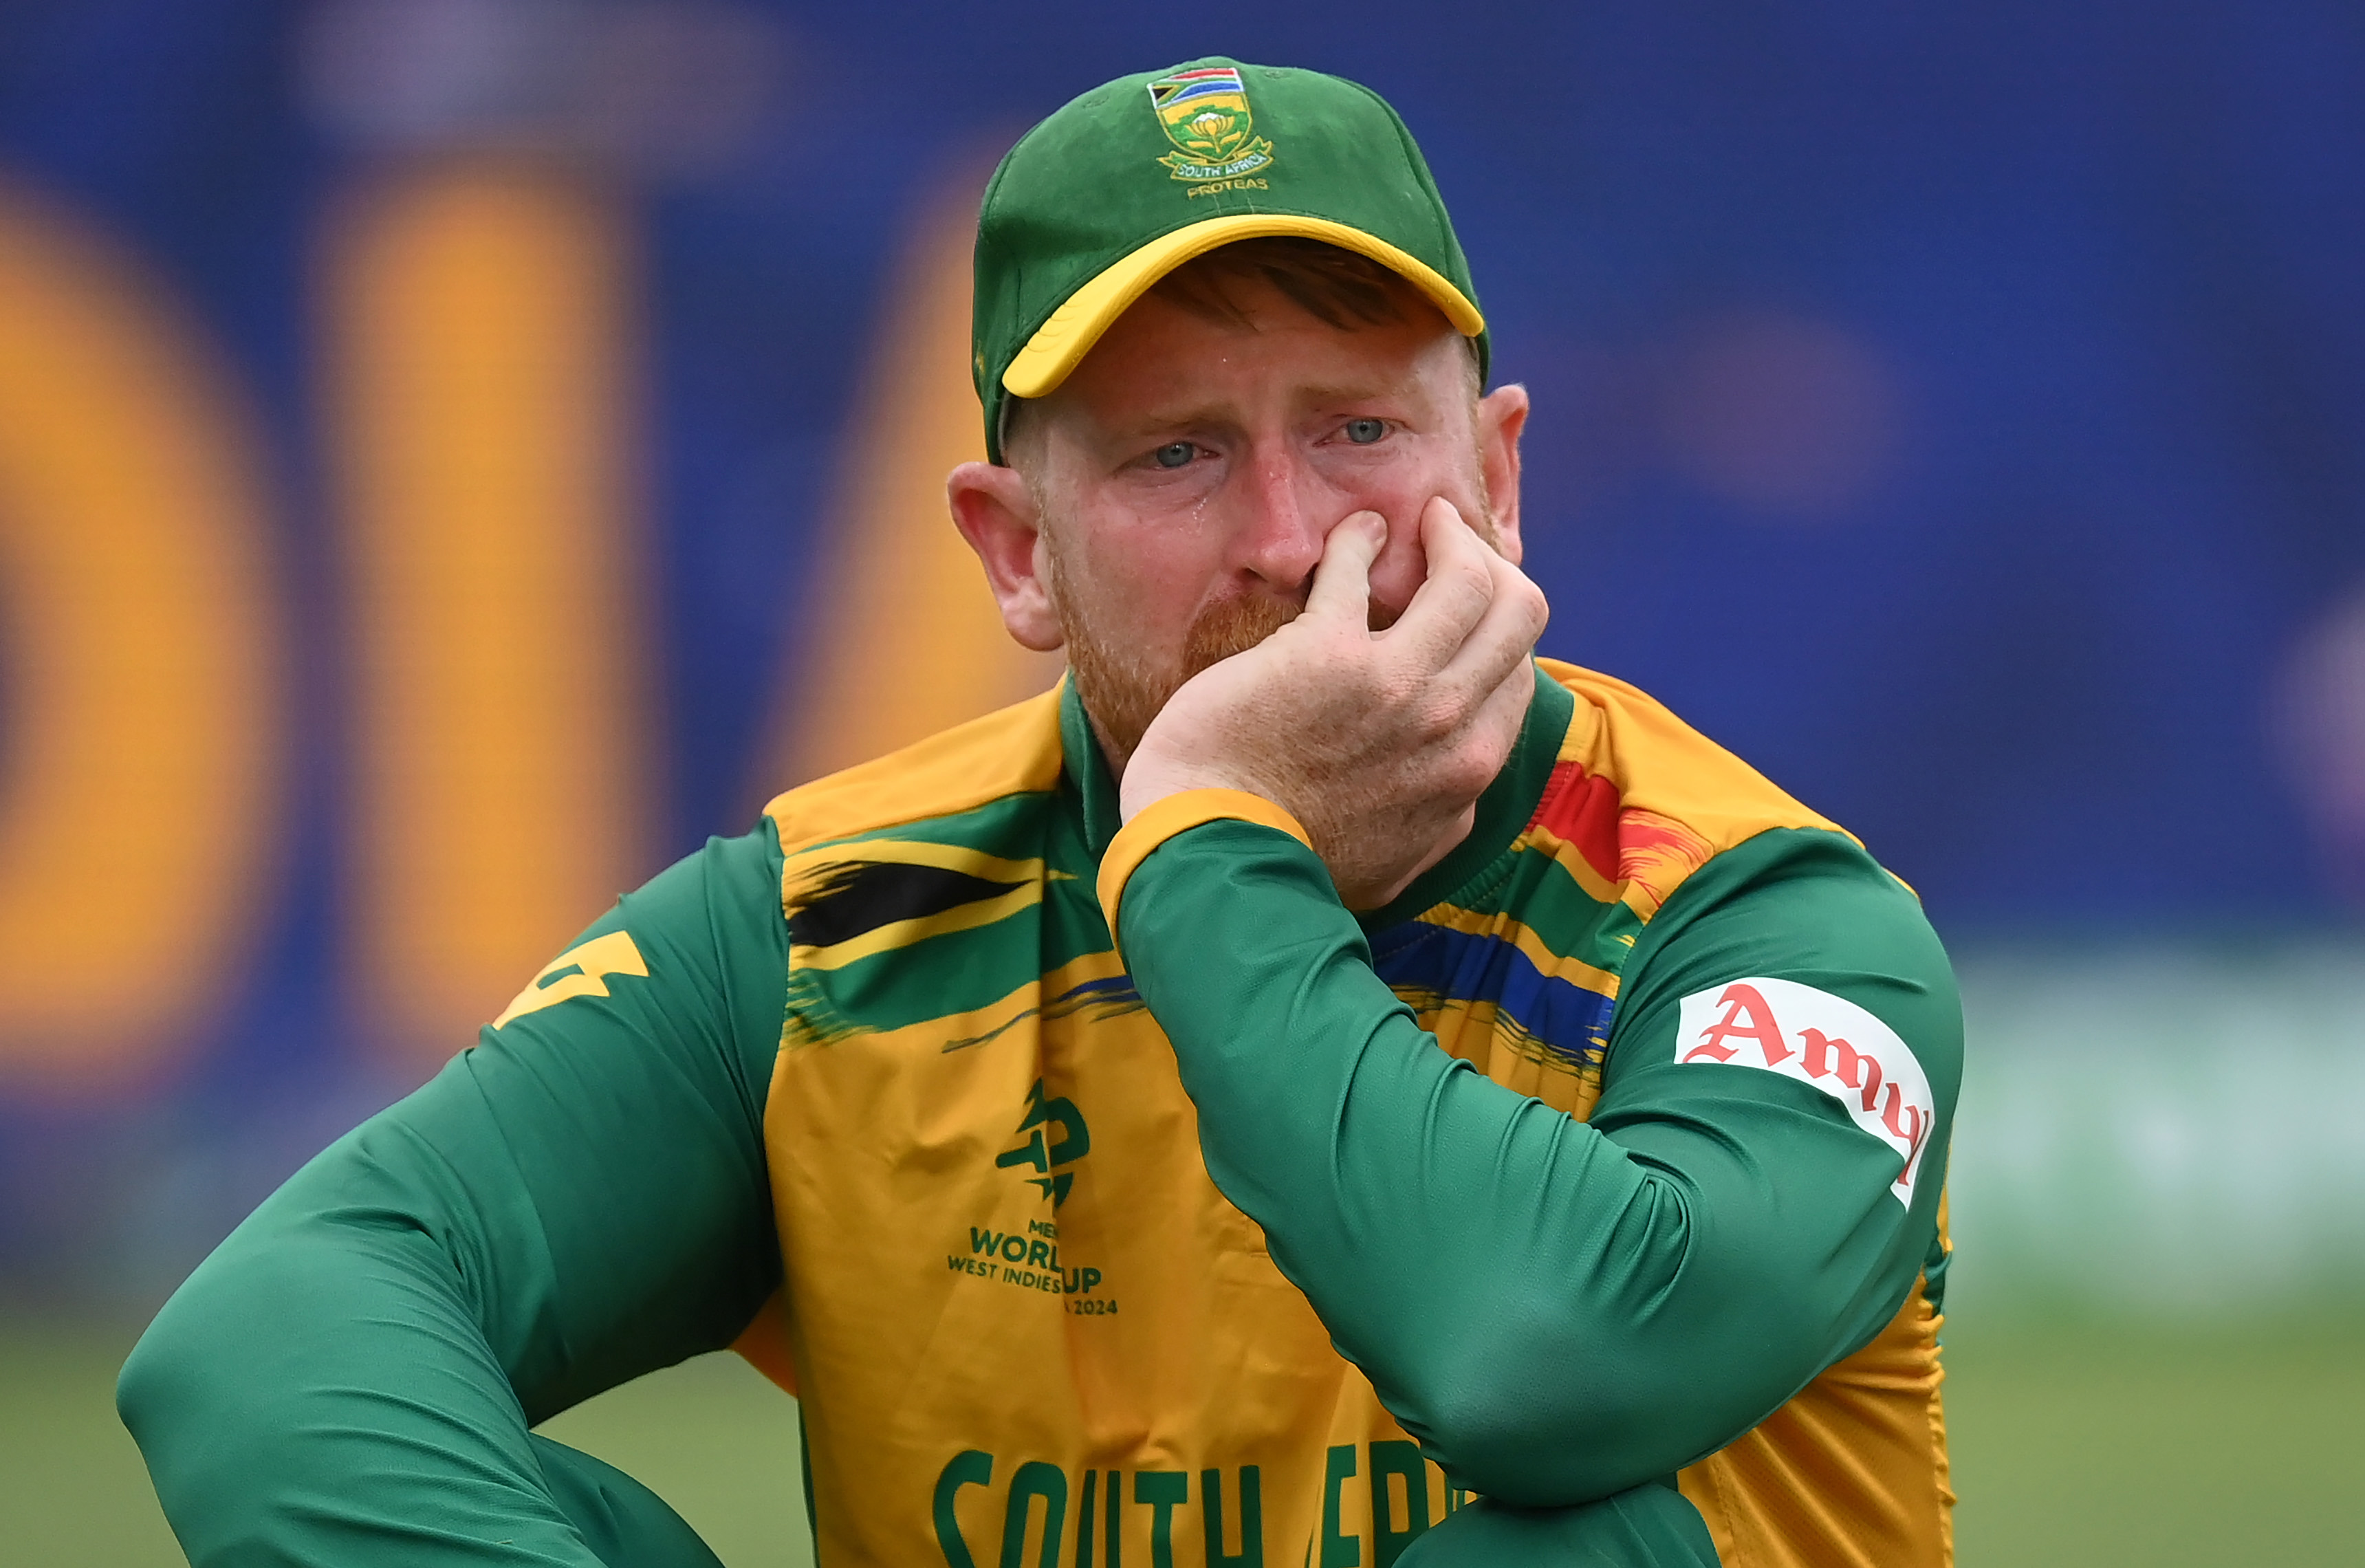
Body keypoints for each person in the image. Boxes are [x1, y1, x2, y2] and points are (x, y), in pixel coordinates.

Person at [119, 57, 1960, 1568]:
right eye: (1177, 451)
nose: (1287, 538)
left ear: (1499, 474)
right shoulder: (827, 930)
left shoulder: (1762, 918)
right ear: (1016, 555)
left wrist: (1216, 839)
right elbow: (260, 1347)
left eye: (1360, 433)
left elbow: (1554, 1361)